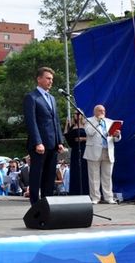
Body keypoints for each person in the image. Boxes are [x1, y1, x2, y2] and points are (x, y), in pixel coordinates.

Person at [23, 66, 65, 204]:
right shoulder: (31, 97)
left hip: (53, 144)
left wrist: (60, 141)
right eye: (48, 78)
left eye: (51, 79)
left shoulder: (52, 98)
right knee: (37, 174)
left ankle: (48, 203)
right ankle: (35, 204)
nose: (50, 81)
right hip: (39, 144)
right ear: (39, 79)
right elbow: (31, 121)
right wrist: (38, 142)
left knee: (50, 175)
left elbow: (55, 121)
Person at [83, 104, 121, 204]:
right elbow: (89, 132)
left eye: (103, 111)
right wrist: (98, 122)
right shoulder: (88, 120)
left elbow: (115, 139)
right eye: (100, 110)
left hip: (107, 150)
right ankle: (95, 198)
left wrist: (117, 135)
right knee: (94, 176)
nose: (102, 112)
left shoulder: (110, 121)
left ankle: (109, 197)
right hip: (93, 151)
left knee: (107, 176)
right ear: (94, 112)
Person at [64, 111, 89, 195]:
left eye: (79, 113)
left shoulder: (86, 125)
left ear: (82, 115)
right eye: (75, 113)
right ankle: (75, 192)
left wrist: (82, 139)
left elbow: (92, 138)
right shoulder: (72, 126)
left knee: (84, 170)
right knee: (75, 170)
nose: (77, 115)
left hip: (85, 149)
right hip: (75, 150)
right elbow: (67, 137)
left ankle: (86, 191)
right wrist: (66, 125)